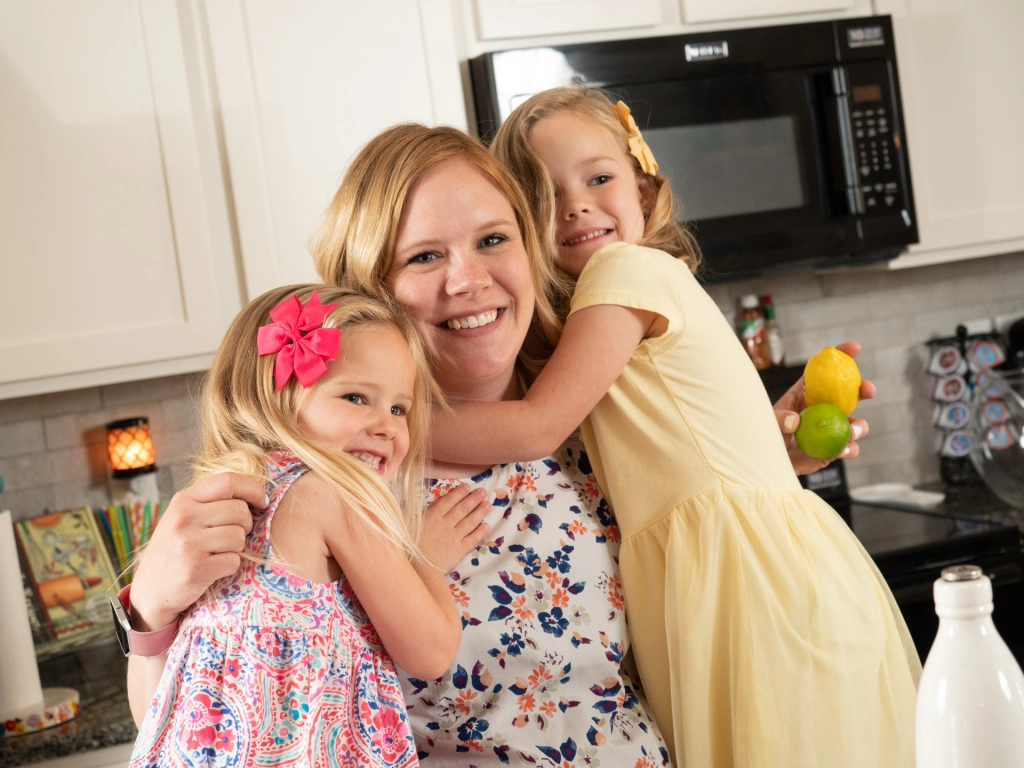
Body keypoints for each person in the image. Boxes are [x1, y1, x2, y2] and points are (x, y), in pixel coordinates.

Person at [125, 123, 876, 767]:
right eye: (423, 257)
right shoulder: (337, 473)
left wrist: (760, 457)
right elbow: (209, 716)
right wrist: (149, 613)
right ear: (367, 289)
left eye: (493, 240)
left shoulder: (595, 422)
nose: (469, 279)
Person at [427, 87, 922, 768]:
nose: (574, 204)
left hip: (741, 580)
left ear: (646, 188)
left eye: (599, 178)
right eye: (544, 195)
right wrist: (765, 445)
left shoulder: (623, 269)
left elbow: (537, 427)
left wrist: (388, 426)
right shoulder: (605, 306)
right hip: (720, 571)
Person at [129, 285, 491, 767]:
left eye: (399, 408)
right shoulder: (329, 494)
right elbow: (430, 652)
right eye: (357, 397)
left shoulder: (218, 508)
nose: (387, 425)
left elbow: (153, 717)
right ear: (272, 399)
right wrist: (423, 557)